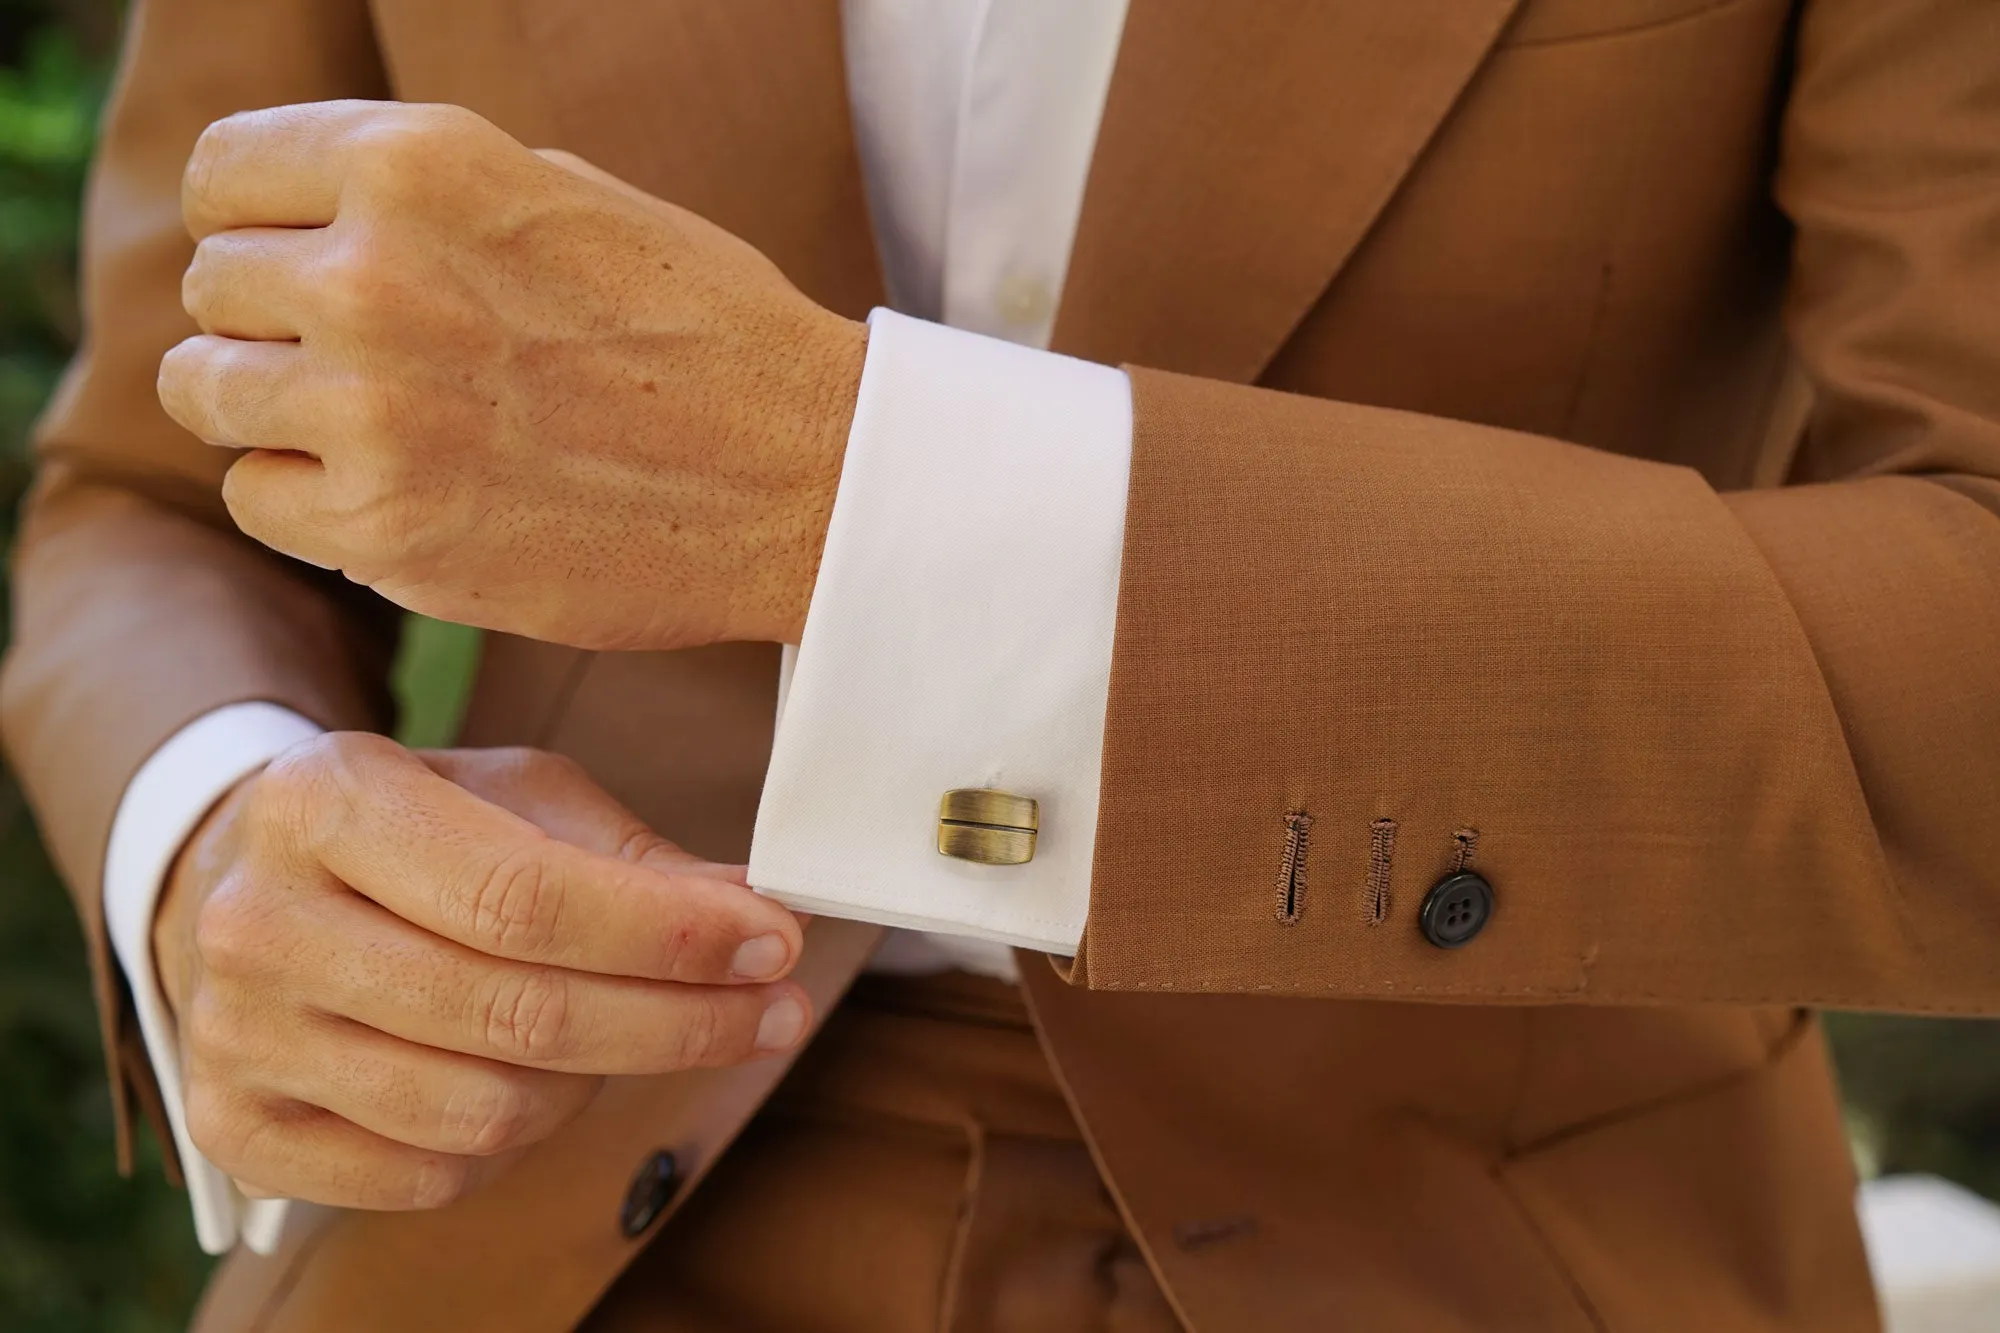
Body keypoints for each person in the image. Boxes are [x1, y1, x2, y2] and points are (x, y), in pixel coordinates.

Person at [5, 0, 1997, 1328]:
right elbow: (150, 489)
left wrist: (858, 498)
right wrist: (218, 829)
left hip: (1490, 1229)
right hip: (519, 1214)